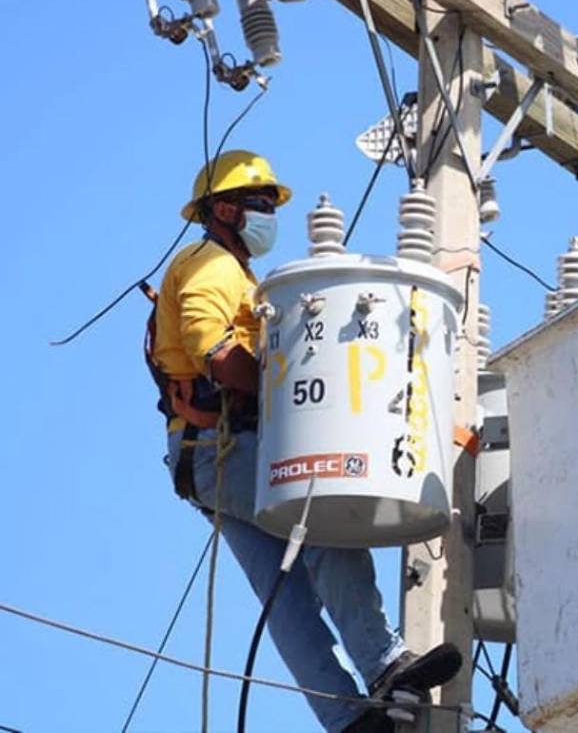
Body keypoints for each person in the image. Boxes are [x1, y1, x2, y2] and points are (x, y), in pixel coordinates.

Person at [149, 150, 459, 733]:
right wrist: (295, 391)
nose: (269, 213)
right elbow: (216, 355)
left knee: (285, 597)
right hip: (225, 451)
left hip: (206, 458)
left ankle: (344, 717)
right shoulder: (208, 266)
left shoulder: (225, 268)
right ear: (222, 209)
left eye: (270, 204)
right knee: (322, 518)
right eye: (258, 203)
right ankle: (386, 662)